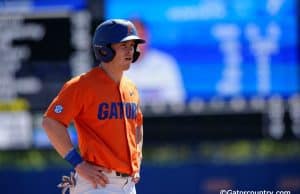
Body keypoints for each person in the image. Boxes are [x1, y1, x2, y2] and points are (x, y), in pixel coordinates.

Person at [42, 19, 145, 194]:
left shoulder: (131, 88)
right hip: (97, 183)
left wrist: (138, 158)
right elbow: (51, 123)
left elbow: (137, 126)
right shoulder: (82, 85)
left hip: (128, 185)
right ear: (104, 49)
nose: (130, 50)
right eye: (123, 45)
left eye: (132, 45)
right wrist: (78, 164)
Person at [125, 18, 186, 106]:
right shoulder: (112, 67)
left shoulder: (165, 63)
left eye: (140, 36)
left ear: (147, 37)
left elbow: (177, 100)